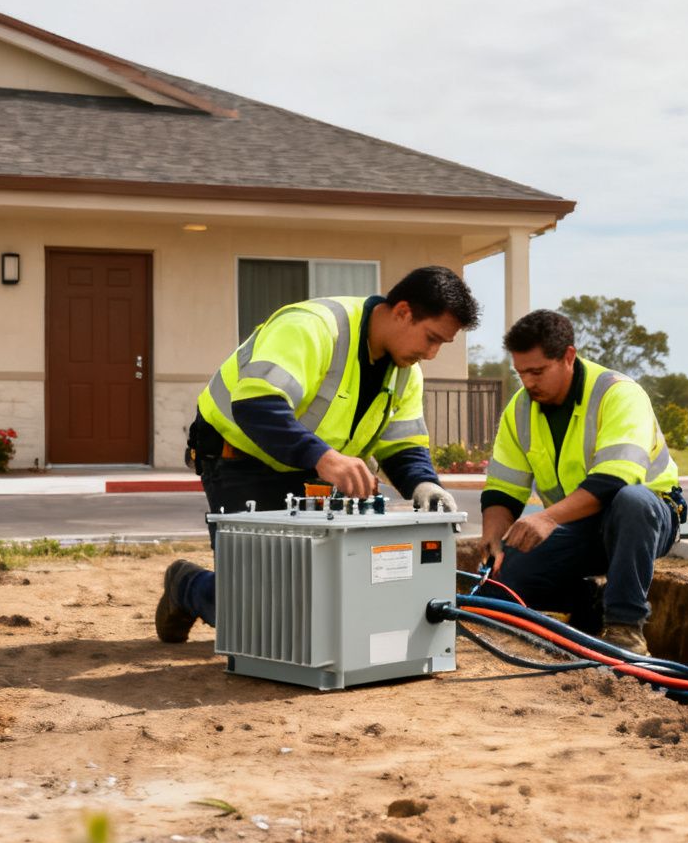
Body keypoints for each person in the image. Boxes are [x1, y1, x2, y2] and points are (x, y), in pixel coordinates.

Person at [154, 265, 480, 642]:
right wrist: (325, 458)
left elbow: (402, 444)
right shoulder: (313, 327)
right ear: (403, 312)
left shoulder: (406, 371)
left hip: (311, 469)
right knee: (261, 616)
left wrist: (424, 485)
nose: (433, 353)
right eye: (431, 338)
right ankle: (187, 584)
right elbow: (256, 404)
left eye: (443, 344)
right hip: (239, 458)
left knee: (322, 602)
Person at [476, 308, 683, 654]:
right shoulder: (519, 410)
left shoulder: (618, 394)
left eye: (537, 371)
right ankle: (589, 600)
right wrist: (493, 539)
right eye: (521, 373)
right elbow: (503, 489)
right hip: (577, 525)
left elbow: (615, 480)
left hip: (644, 519)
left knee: (632, 501)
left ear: (568, 356)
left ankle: (624, 629)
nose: (528, 382)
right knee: (500, 588)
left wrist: (547, 517)